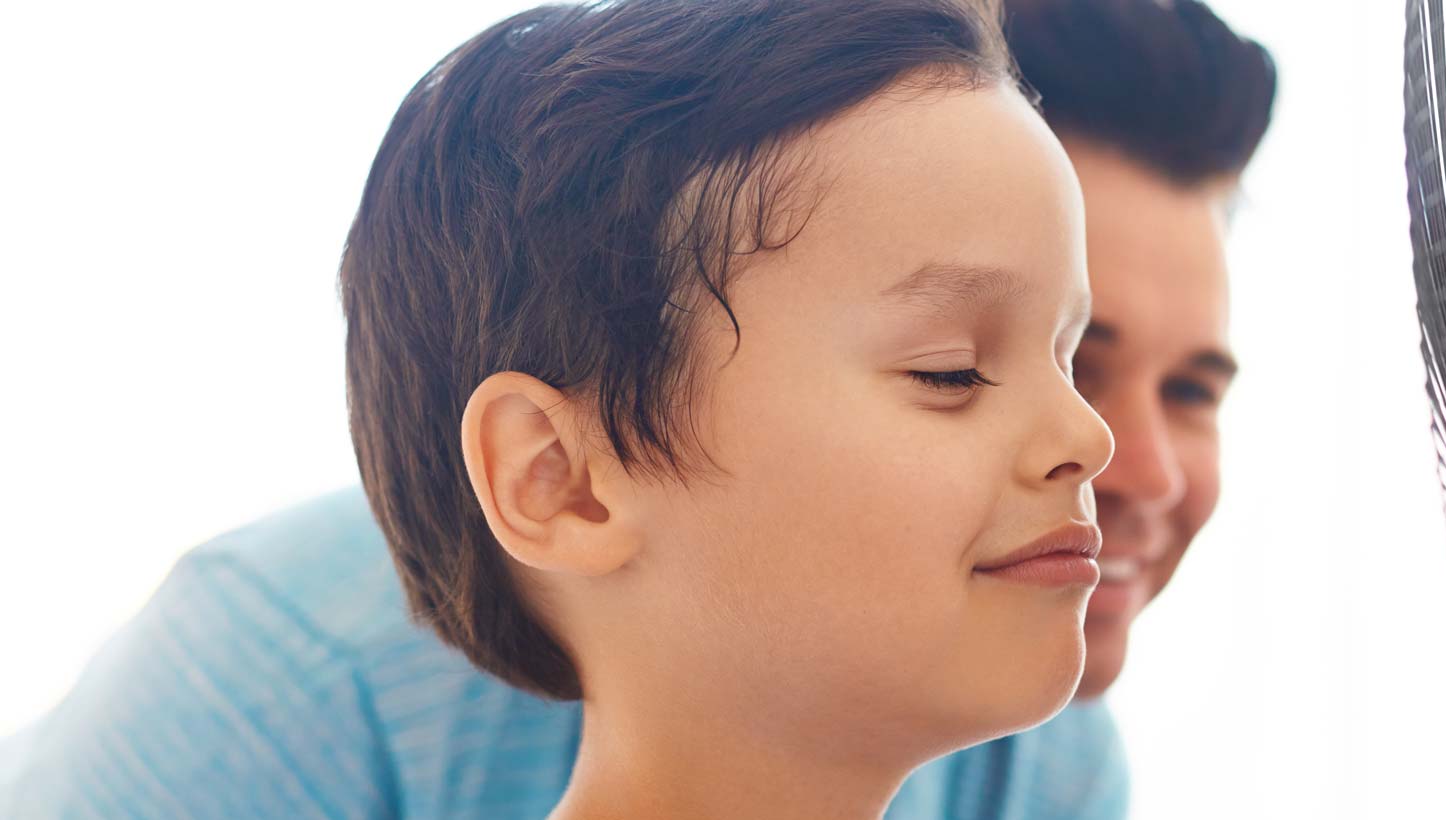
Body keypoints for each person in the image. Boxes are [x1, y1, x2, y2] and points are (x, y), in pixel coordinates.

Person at [0, 0, 1275, 817]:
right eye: (950, 370)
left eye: (1060, 352)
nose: (1106, 448)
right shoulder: (267, 675)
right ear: (560, 478)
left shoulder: (1041, 759)